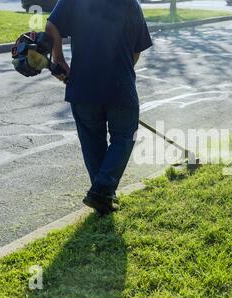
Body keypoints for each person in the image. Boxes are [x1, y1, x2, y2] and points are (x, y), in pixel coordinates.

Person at [45, 0, 153, 215]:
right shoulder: (130, 3)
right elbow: (136, 51)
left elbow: (51, 26)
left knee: (92, 142)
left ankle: (101, 195)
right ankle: (103, 191)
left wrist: (59, 59)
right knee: (124, 137)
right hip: (120, 87)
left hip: (82, 87)